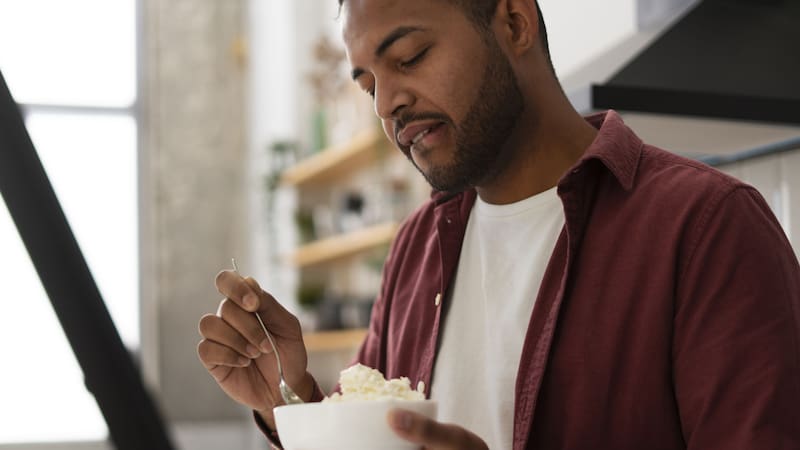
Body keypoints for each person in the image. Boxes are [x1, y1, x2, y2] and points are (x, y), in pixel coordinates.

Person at [197, 0, 800, 448]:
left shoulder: (708, 228)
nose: (385, 105)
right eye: (369, 84)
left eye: (409, 57)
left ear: (514, 22)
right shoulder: (416, 248)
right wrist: (292, 398)